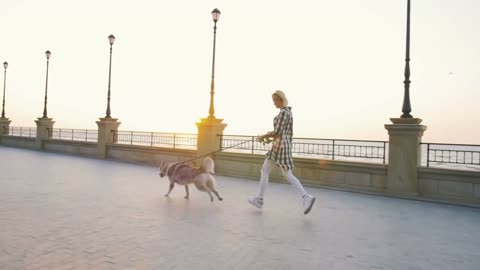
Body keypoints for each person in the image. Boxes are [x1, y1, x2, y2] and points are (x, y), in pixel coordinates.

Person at [248, 90, 316, 214]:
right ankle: (306, 197)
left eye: (275, 100)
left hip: (280, 147)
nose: (274, 103)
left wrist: (263, 136)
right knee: (282, 173)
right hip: (282, 145)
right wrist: (268, 139)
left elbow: (277, 131)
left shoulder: (284, 113)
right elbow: (281, 133)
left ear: (280, 99)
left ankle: (260, 199)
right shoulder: (288, 112)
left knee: (270, 171)